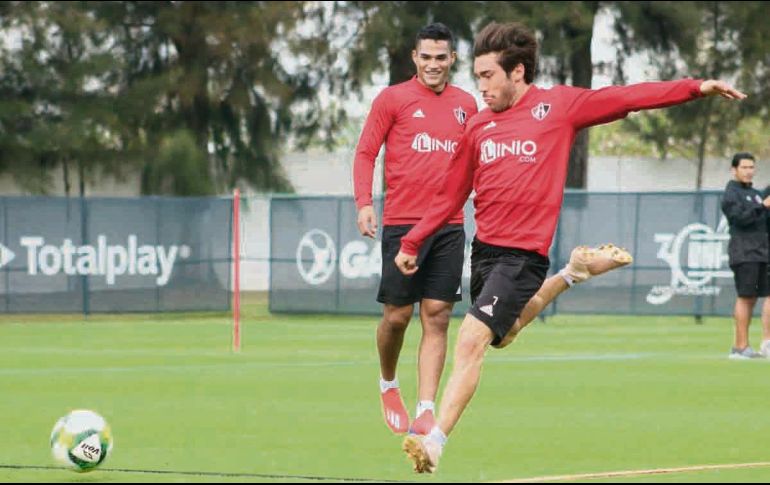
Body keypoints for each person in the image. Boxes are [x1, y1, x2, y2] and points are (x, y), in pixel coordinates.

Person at [394, 21, 747, 473]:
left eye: (487, 76)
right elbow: (450, 194)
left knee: (471, 339)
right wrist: (413, 239)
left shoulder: (556, 107)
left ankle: (436, 440)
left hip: (522, 258)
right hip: (484, 252)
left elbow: (627, 97)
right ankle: (572, 273)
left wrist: (695, 87)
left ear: (517, 71)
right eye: (477, 76)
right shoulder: (479, 126)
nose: (479, 87)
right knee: (503, 335)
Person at [353, 23, 478, 435]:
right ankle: (388, 384)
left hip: (449, 225)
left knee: (438, 315)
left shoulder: (467, 105)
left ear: (452, 60)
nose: (433, 65)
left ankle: (426, 408)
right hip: (403, 223)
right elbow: (367, 151)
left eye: (441, 58)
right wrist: (364, 204)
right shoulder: (393, 99)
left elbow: (476, 163)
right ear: (414, 58)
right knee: (397, 316)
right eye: (426, 57)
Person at [721, 152, 770, 359]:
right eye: (744, 167)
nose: (749, 171)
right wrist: (762, 207)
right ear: (734, 170)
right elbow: (739, 218)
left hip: (762, 252)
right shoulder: (731, 193)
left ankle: (763, 344)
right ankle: (740, 347)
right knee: (746, 298)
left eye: (751, 167)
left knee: (764, 296)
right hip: (744, 252)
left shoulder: (757, 193)